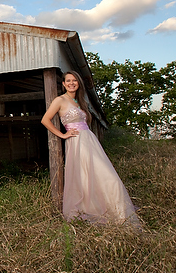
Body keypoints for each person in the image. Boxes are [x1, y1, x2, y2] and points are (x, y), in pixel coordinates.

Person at [41, 71, 141, 227]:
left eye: (74, 80)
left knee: (105, 177)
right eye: (68, 80)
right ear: (63, 84)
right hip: (77, 143)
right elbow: (45, 120)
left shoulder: (79, 101)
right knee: (85, 177)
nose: (71, 83)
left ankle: (118, 213)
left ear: (78, 83)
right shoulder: (59, 100)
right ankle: (92, 209)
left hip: (90, 141)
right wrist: (62, 134)